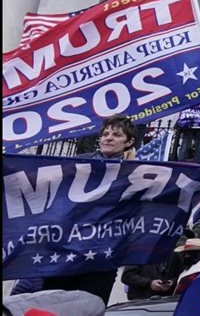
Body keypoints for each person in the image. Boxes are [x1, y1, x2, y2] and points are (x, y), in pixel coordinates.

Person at [40, 116, 139, 301]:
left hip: (101, 258)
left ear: (129, 142)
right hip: (64, 254)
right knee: (51, 308)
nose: (108, 138)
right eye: (105, 134)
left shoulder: (136, 172)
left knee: (90, 309)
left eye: (116, 135)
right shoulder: (77, 163)